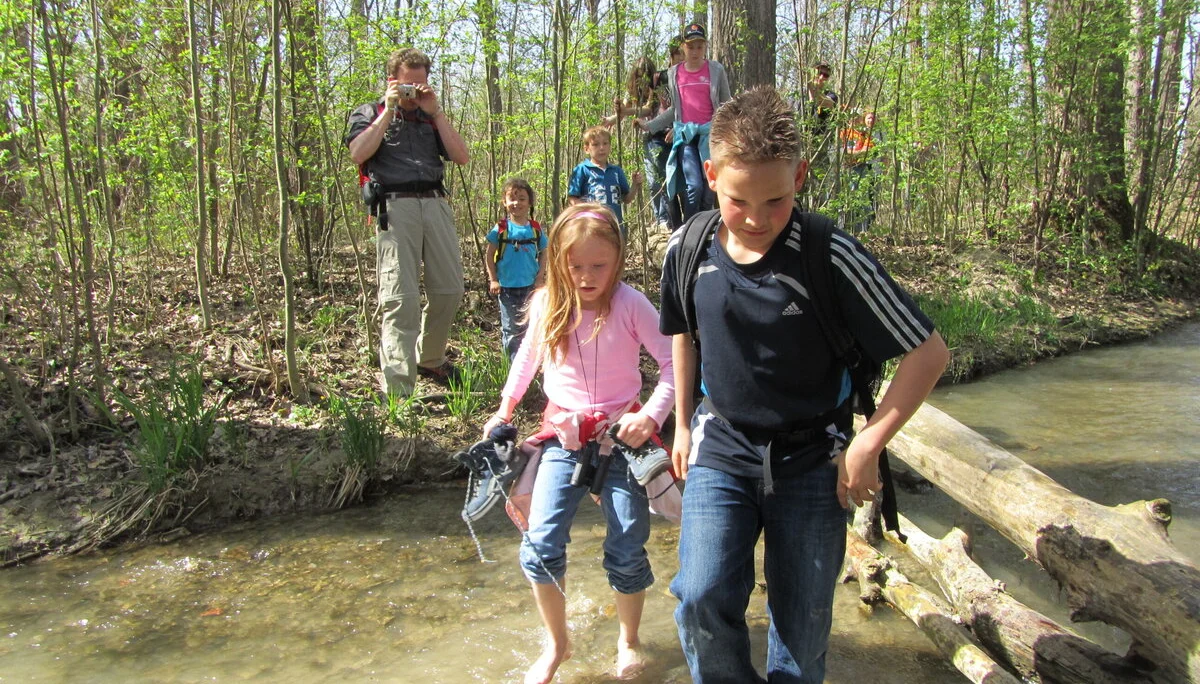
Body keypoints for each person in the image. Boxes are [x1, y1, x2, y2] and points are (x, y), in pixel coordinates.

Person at [659, 86, 949, 682]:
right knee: (700, 595)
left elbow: (929, 353)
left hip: (816, 459)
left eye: (777, 199)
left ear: (802, 176)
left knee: (800, 626)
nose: (759, 218)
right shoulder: (687, 248)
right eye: (740, 200)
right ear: (711, 175)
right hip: (723, 445)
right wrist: (684, 422)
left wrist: (869, 443)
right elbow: (684, 332)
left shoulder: (829, 254)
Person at [482, 204, 675, 684]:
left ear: (619, 261)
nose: (587, 277)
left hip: (623, 438)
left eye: (599, 266)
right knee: (541, 545)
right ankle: (557, 644)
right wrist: (503, 411)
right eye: (575, 266)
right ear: (557, 263)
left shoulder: (631, 304)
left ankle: (628, 640)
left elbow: (674, 364)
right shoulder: (548, 303)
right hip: (562, 439)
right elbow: (525, 363)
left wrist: (651, 414)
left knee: (628, 541)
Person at [345, 48, 470, 397]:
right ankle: (398, 389)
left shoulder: (432, 117)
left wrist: (437, 113)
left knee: (449, 290)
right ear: (392, 81)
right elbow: (358, 153)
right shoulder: (371, 112)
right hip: (395, 207)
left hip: (435, 203)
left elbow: (460, 156)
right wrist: (389, 110)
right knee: (401, 298)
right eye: (407, 84)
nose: (414, 91)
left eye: (421, 84)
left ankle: (429, 358)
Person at [641, 23, 731, 223]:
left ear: (705, 46)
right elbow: (675, 110)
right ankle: (689, 229)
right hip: (686, 136)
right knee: (694, 186)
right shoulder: (675, 73)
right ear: (683, 47)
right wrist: (650, 125)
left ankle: (705, 227)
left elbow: (726, 104)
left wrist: (730, 132)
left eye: (699, 46)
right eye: (691, 47)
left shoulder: (715, 70)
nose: (695, 51)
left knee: (710, 187)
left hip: (711, 135)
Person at [604, 42, 682, 232]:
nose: (642, 78)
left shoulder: (658, 85)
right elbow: (624, 107)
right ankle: (661, 218)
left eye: (645, 74)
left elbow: (648, 108)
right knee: (653, 181)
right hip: (649, 136)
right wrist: (612, 119)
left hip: (664, 132)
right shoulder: (632, 88)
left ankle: (672, 219)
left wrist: (627, 111)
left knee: (666, 178)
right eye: (639, 74)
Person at [485, 178, 547, 361]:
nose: (516, 203)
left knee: (530, 327)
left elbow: (545, 252)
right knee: (511, 330)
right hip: (506, 288)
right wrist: (493, 279)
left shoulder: (535, 229)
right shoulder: (501, 229)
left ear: (529, 202)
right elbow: (489, 255)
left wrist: (540, 277)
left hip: (530, 287)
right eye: (512, 198)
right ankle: (512, 369)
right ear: (504, 202)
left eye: (521, 198)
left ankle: (530, 366)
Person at [567, 127, 643, 239]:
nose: (601, 148)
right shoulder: (582, 169)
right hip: (591, 226)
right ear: (587, 149)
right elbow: (572, 199)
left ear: (610, 146)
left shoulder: (616, 171)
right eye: (596, 145)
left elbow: (626, 199)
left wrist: (635, 184)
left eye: (605, 143)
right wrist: (588, 210)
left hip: (614, 225)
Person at [799, 61, 839, 211]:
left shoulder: (831, 96)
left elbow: (828, 103)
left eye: (826, 75)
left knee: (819, 194)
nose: (822, 77)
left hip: (819, 151)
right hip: (799, 149)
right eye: (819, 73)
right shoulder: (798, 97)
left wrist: (814, 93)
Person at [839, 110, 882, 233]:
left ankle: (863, 230)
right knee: (844, 201)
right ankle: (845, 228)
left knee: (863, 201)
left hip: (861, 169)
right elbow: (842, 153)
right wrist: (854, 153)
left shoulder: (864, 134)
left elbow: (867, 152)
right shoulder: (843, 133)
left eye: (856, 118)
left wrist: (852, 154)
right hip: (845, 170)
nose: (853, 120)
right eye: (850, 117)